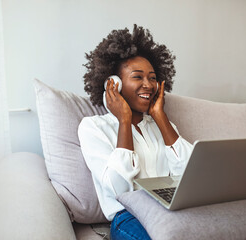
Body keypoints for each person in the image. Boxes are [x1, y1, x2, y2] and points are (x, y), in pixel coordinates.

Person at [78, 24, 193, 240]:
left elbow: (190, 175)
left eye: (152, 78)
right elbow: (118, 189)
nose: (148, 85)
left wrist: (160, 117)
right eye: (138, 77)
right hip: (129, 217)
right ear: (115, 84)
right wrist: (124, 120)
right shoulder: (93, 128)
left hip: (172, 211)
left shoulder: (164, 126)